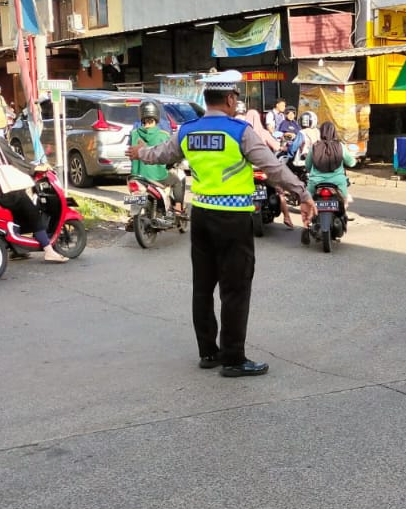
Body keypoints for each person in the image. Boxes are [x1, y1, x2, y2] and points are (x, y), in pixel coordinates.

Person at [129, 70, 316, 378]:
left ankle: (208, 352)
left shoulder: (188, 130)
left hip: (202, 216)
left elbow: (161, 154)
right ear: (230, 99)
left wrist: (140, 152)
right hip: (233, 219)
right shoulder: (240, 132)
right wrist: (303, 194)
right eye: (236, 97)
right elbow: (273, 168)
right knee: (235, 288)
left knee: (202, 287)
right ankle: (233, 358)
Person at [0, 103, 69, 262]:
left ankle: (17, 250)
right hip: (3, 190)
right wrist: (34, 168)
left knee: (17, 213)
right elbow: (12, 159)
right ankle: (48, 250)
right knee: (31, 211)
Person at [129, 101, 185, 213]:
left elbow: (130, 153)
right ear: (157, 116)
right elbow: (170, 154)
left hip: (136, 176)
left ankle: (134, 213)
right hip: (158, 177)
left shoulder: (133, 134)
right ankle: (178, 208)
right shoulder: (164, 135)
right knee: (178, 180)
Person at [243, 107, 294, 228]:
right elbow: (277, 147)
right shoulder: (264, 133)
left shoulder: (242, 134)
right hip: (265, 170)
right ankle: (287, 217)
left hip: (246, 171)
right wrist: (284, 147)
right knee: (280, 191)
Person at [305, 121, 358, 206]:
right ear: (334, 132)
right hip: (338, 181)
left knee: (307, 201)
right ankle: (343, 212)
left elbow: (308, 165)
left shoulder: (314, 146)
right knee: (344, 201)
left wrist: (310, 171)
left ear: (321, 132)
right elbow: (351, 163)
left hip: (315, 182)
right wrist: (354, 160)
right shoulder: (340, 146)